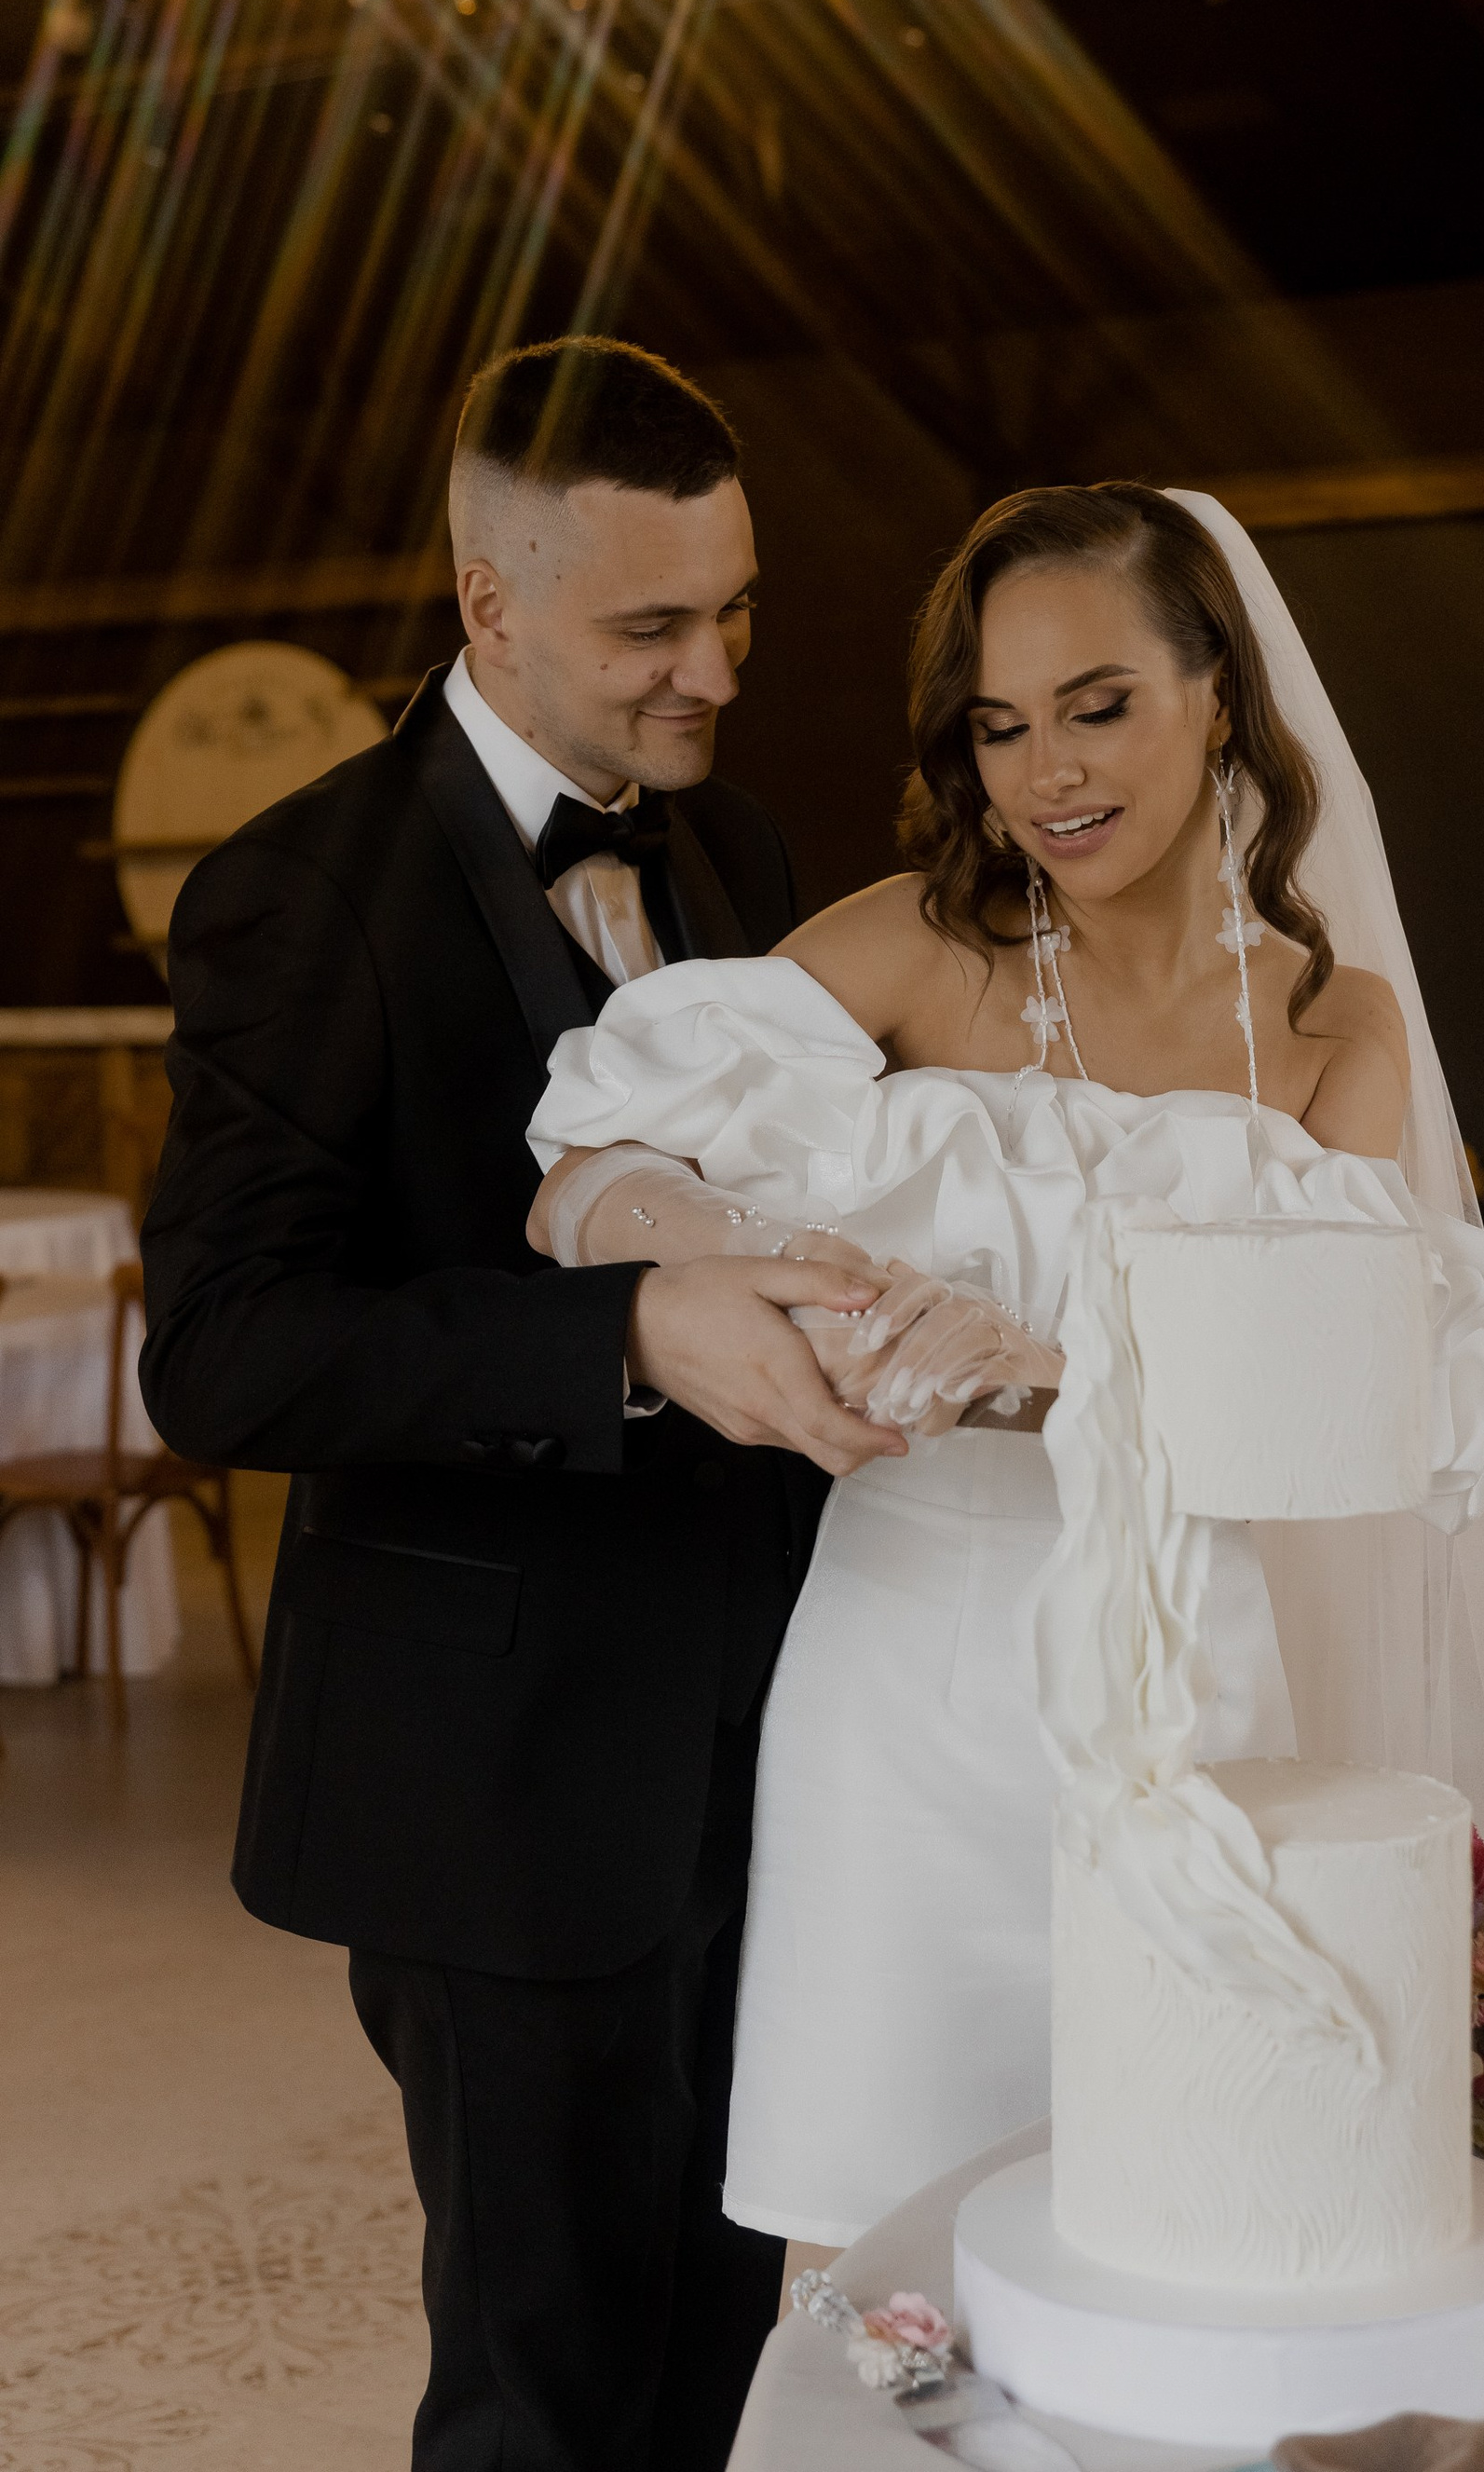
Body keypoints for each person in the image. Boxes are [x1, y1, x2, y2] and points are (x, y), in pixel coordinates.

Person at [528, 483, 1484, 2282]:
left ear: (1217, 695)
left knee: (1196, 2219)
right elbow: (586, 1171)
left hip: (1196, 1692)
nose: (1048, 774)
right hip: (900, 1701)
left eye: (1099, 705)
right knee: (891, 2253)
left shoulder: (1334, 1025)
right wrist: (756, 1264)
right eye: (1000, 726)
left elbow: (1350, 1407)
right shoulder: (915, 945)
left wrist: (1066, 1370)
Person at [138, 335, 905, 2472]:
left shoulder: (740, 849)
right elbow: (222, 1348)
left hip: (761, 1738)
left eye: (737, 611)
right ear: (491, 603)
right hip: (491, 1781)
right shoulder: (305, 889)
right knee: (540, 2400)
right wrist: (623, 1336)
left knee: (716, 2361)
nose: (714, 673)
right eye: (652, 628)